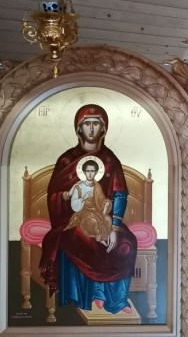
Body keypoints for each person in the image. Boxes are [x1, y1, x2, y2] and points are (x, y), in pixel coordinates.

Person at [39, 104, 137, 314]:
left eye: (96, 124)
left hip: (105, 218)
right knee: (85, 238)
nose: (91, 129)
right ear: (78, 128)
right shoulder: (66, 160)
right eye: (87, 124)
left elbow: (119, 194)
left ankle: (117, 300)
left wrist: (114, 226)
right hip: (73, 219)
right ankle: (94, 294)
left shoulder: (110, 160)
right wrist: (66, 197)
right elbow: (54, 194)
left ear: (103, 128)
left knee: (127, 242)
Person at [64, 158, 113, 243]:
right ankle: (98, 236)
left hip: (96, 210)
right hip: (83, 211)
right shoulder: (79, 186)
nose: (90, 174)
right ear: (84, 172)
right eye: (88, 171)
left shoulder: (97, 186)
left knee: (107, 219)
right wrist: (83, 198)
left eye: (92, 171)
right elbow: (74, 203)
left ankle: (103, 237)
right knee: (92, 221)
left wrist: (106, 203)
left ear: (96, 172)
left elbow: (101, 200)